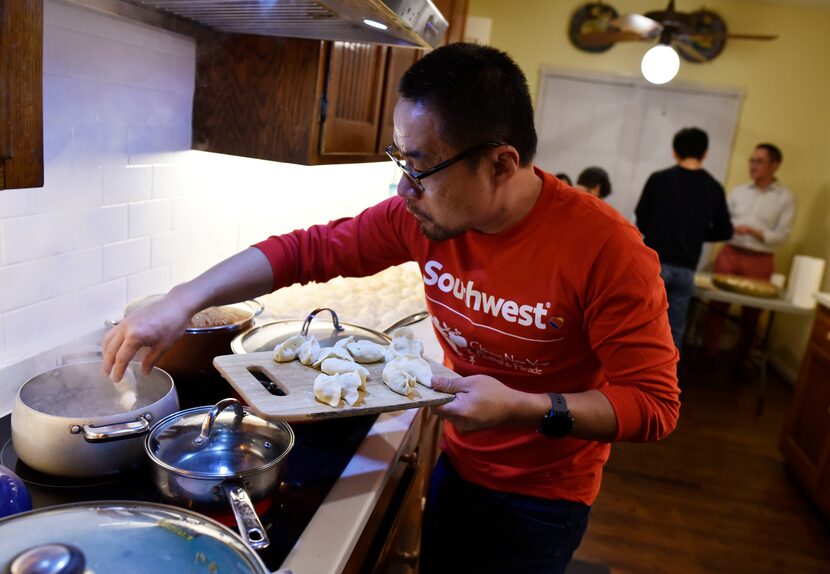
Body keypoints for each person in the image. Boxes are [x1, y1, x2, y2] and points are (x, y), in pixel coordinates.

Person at [101, 43, 680, 574]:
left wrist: (521, 408)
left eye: (420, 167)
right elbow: (308, 249)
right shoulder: (426, 218)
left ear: (502, 164)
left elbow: (653, 405)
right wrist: (183, 300)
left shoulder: (606, 251)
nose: (404, 190)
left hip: (544, 499)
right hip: (459, 465)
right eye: (398, 159)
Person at [635, 127, 733, 350]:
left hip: (655, 264)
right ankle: (669, 381)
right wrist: (698, 234)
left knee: (643, 323)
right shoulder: (713, 188)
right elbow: (725, 230)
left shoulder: (659, 180)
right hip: (687, 269)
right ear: (705, 153)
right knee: (675, 328)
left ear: (675, 152)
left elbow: (642, 220)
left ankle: (636, 377)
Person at [704, 143, 796, 368]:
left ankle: (741, 361)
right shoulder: (738, 192)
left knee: (753, 316)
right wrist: (735, 228)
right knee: (715, 307)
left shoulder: (785, 198)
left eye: (759, 161)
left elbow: (782, 235)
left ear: (774, 165)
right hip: (731, 253)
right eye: (751, 160)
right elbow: (722, 222)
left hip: (760, 259)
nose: (753, 166)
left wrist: (754, 231)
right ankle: (708, 355)